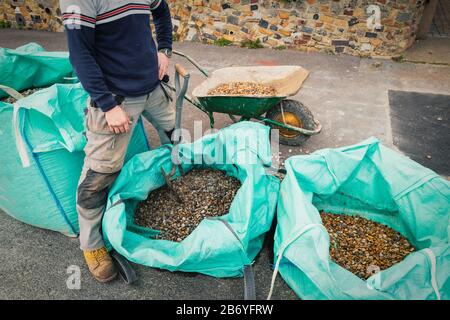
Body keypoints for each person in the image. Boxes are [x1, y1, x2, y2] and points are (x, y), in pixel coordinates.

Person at [59, 0, 174, 283]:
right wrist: (108, 105)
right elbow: (80, 54)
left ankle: (176, 191)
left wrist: (164, 50)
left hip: (154, 87)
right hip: (117, 97)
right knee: (99, 175)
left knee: (176, 140)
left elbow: (161, 10)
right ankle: (92, 245)